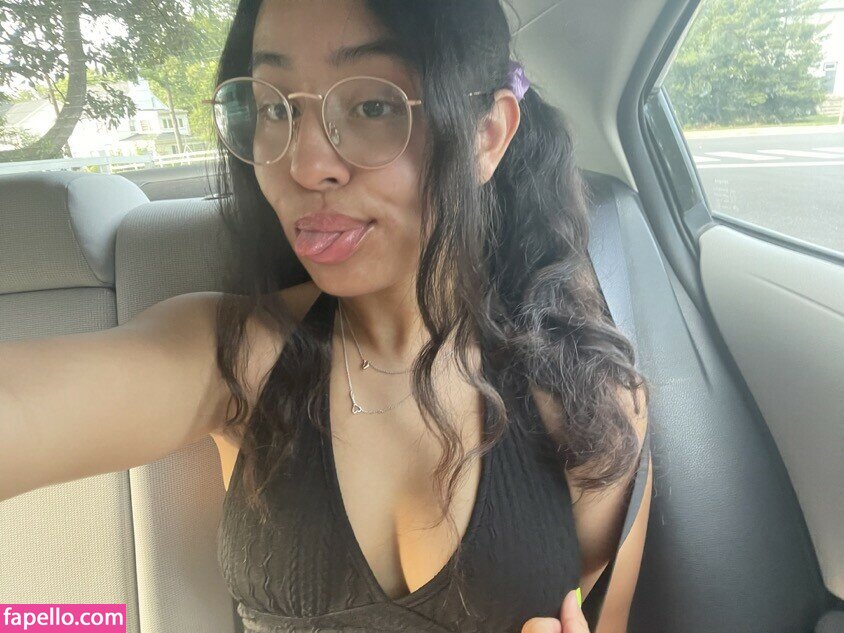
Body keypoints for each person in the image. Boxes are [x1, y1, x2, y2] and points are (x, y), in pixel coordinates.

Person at [0, 1, 652, 631]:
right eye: (274, 108)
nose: (303, 165)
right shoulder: (237, 356)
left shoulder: (586, 397)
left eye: (372, 106)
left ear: (488, 135)